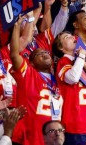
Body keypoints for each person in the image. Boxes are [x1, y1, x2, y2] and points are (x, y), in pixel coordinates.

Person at [9, 16, 62, 145]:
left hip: (51, 138)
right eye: (39, 54)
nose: (45, 54)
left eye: (46, 52)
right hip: (29, 137)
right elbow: (14, 54)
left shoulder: (58, 80)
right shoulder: (28, 73)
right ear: (31, 63)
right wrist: (16, 28)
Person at [53, 31, 86, 144]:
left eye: (71, 35)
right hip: (74, 122)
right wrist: (81, 56)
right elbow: (73, 78)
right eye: (67, 37)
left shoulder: (80, 63)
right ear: (61, 47)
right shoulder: (63, 61)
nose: (72, 37)